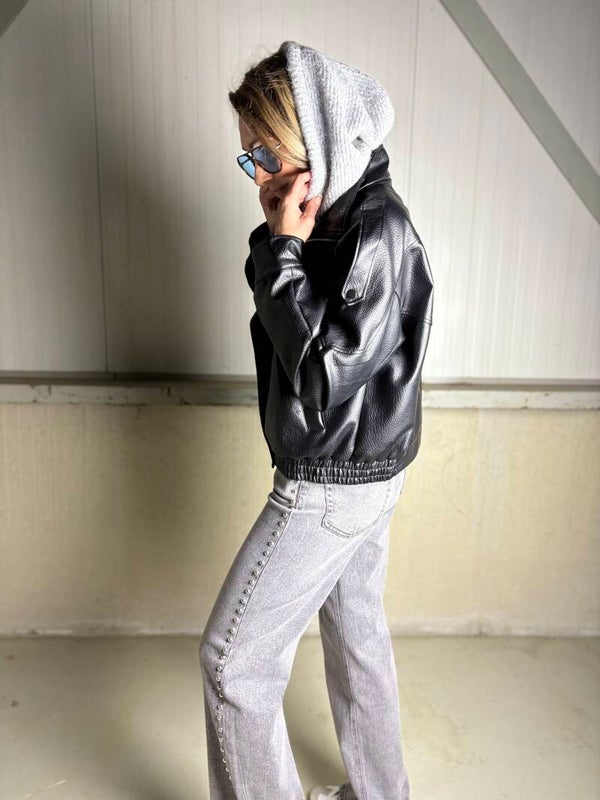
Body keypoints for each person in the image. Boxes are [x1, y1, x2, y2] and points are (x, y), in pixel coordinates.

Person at [198, 40, 433, 800]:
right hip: (361, 471)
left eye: (265, 154)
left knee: (233, 664)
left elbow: (321, 376)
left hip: (333, 481)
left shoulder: (374, 232)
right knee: (357, 633)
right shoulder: (333, 219)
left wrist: (282, 250)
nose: (257, 176)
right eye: (248, 159)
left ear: (316, 139)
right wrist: (282, 244)